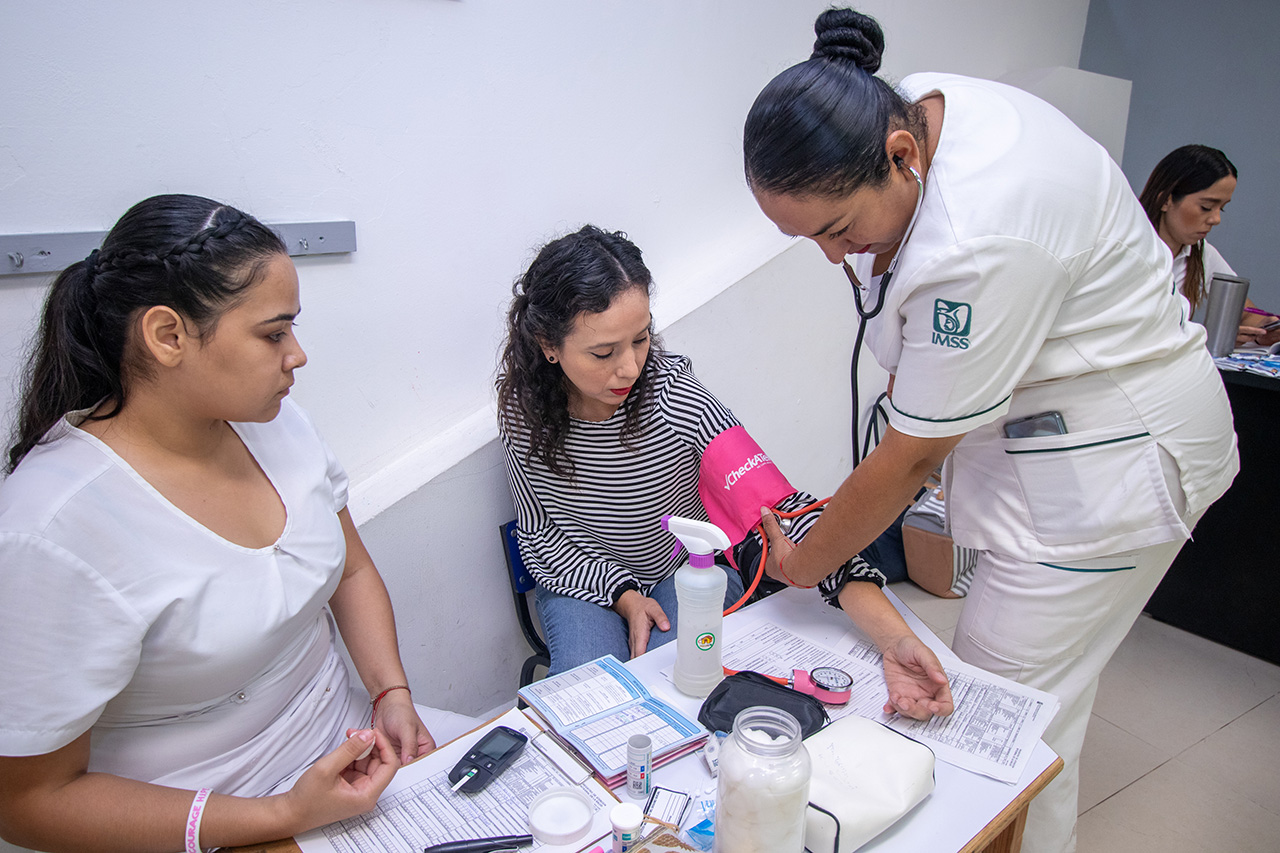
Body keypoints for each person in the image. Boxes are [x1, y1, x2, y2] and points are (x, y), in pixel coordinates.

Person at [741, 9, 1237, 853]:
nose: (835, 257)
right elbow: (923, 379)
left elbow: (910, 455)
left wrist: (805, 559)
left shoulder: (982, 232)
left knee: (992, 728)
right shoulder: (928, 113)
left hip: (1114, 473)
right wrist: (843, 519)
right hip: (1064, 446)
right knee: (1044, 714)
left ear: (901, 156)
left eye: (834, 230)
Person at [0, 195, 476, 853]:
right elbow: (28, 804)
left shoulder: (279, 425)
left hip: (345, 752)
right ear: (167, 335)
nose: (298, 354)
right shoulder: (52, 529)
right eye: (273, 333)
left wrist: (390, 690)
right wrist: (279, 814)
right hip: (203, 819)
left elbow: (353, 567)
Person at [496, 225, 952, 720]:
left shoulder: (678, 402)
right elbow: (542, 534)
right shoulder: (524, 415)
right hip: (583, 579)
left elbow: (786, 520)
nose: (629, 368)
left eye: (642, 339)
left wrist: (895, 638)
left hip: (684, 570)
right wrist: (624, 596)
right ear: (549, 345)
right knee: (580, 705)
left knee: (674, 688)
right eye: (604, 353)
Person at [1138, 144, 1280, 347]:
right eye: (1206, 207)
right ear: (1165, 199)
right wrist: (1203, 337)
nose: (1216, 219)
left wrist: (1262, 329)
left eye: (1222, 208)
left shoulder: (1199, 253)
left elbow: (1245, 313)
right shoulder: (1127, 248)